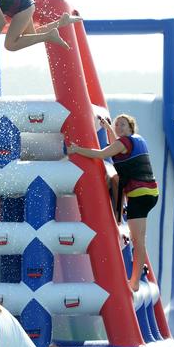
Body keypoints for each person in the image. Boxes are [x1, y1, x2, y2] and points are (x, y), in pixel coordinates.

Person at [67, 114, 159, 291]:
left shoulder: (123, 143)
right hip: (149, 194)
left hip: (139, 196)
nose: (119, 127)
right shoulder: (135, 140)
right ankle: (118, 215)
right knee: (116, 178)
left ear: (131, 128)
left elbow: (102, 154)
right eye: (117, 125)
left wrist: (76, 149)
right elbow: (118, 144)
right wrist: (109, 128)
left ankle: (133, 283)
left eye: (122, 124)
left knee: (138, 241)